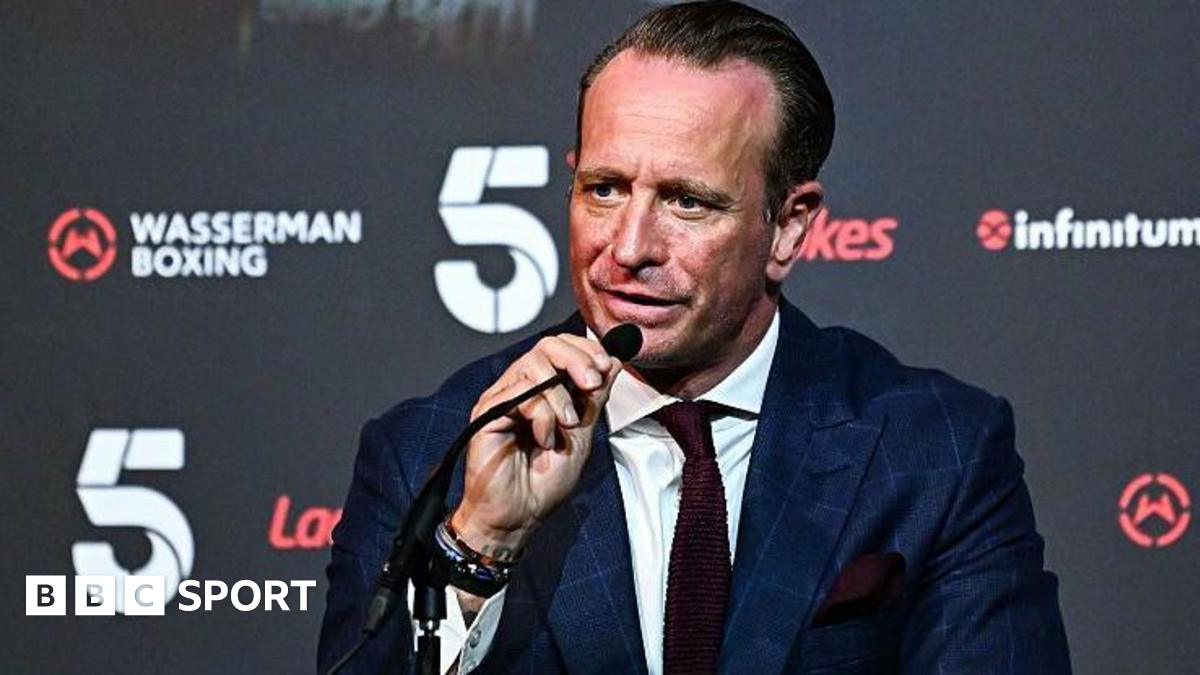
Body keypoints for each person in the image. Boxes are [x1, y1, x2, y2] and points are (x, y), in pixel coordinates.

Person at [318, 2, 1071, 673]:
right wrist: (481, 547)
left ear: (789, 228)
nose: (628, 247)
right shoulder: (428, 453)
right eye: (604, 189)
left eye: (686, 202)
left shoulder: (936, 452)